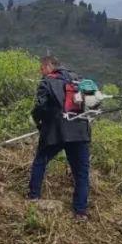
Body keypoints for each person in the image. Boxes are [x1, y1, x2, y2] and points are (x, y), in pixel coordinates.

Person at [28, 55, 92, 220]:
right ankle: (80, 212)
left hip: (56, 132)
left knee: (40, 161)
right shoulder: (78, 80)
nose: (41, 72)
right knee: (82, 172)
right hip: (80, 131)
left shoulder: (47, 82)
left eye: (42, 68)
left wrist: (38, 122)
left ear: (49, 66)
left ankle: (33, 197)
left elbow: (40, 107)